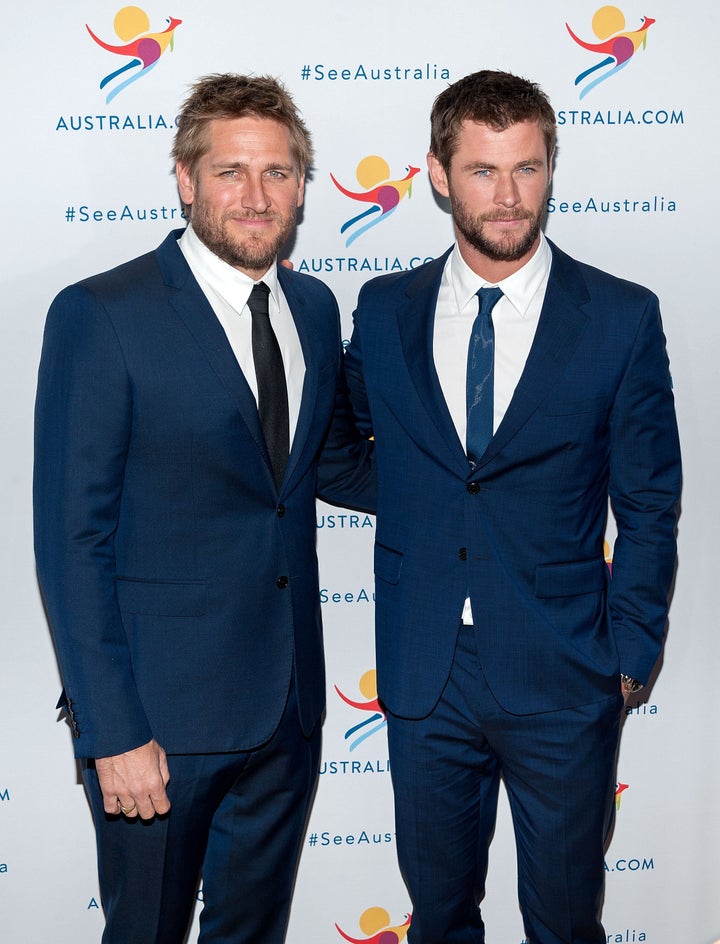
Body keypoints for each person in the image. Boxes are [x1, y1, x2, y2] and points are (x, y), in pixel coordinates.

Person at [34, 73, 373, 944]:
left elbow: (330, 464)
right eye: (231, 172)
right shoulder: (101, 315)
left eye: (279, 173)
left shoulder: (312, 304)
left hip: (289, 712)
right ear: (185, 179)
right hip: (158, 726)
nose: (257, 198)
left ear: (302, 184)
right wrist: (112, 730)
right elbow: (72, 540)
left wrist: (493, 492)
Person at [344, 70, 681, 944]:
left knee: (566, 922)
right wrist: (423, 508)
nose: (507, 196)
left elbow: (649, 502)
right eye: (485, 171)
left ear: (550, 171)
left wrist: (631, 653)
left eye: (527, 169)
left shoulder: (620, 316)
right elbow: (342, 449)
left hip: (566, 672)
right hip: (426, 673)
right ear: (438, 175)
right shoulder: (385, 310)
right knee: (440, 916)